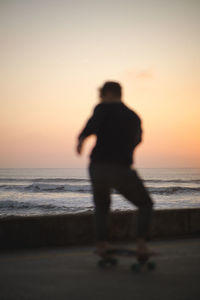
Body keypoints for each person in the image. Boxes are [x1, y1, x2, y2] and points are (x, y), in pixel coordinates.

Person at [76, 81, 153, 257]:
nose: (101, 98)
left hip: (97, 167)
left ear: (109, 93)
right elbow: (138, 139)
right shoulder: (133, 116)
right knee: (145, 204)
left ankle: (102, 245)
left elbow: (90, 126)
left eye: (102, 95)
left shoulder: (101, 109)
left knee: (102, 206)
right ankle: (141, 245)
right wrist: (126, 149)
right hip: (119, 168)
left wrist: (81, 139)